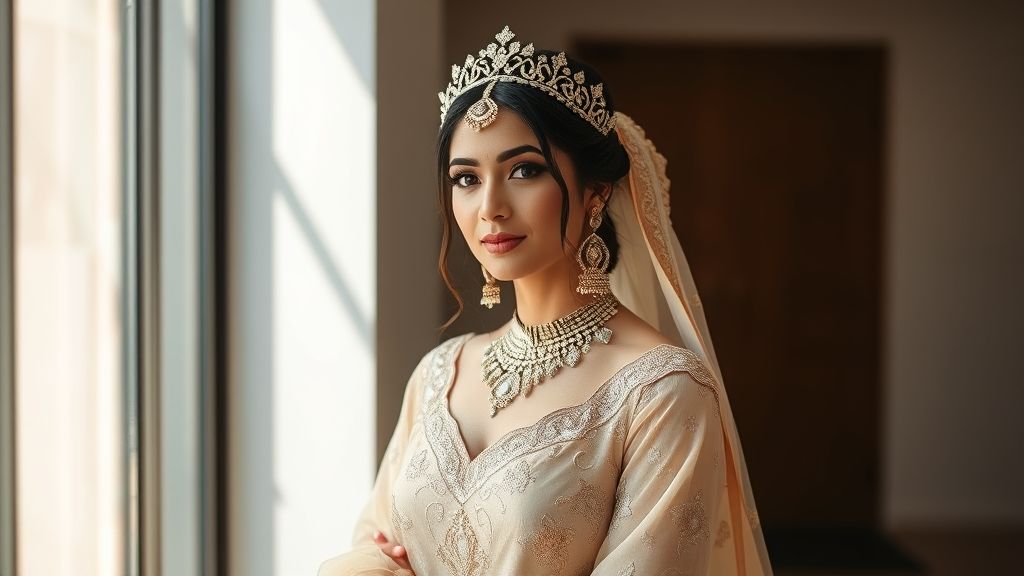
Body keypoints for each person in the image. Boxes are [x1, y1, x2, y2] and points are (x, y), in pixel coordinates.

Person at [320, 26, 773, 576]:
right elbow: (374, 540)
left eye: (524, 171)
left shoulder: (662, 393)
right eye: (466, 178)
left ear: (595, 193)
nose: (490, 206)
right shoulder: (439, 373)